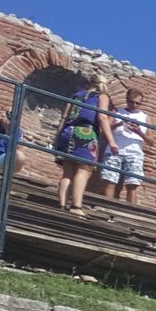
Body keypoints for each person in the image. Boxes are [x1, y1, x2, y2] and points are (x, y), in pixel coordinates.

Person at [52, 78, 111, 213]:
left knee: (67, 172)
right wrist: (111, 141)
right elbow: (102, 118)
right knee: (83, 171)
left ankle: (61, 205)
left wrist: (57, 138)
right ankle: (76, 206)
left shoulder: (75, 96)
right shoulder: (101, 97)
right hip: (86, 132)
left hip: (68, 132)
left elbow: (64, 118)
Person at [96, 88, 149, 204]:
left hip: (135, 153)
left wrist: (139, 132)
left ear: (141, 103)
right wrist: (119, 124)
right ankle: (106, 209)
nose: (134, 105)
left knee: (132, 184)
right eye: (131, 102)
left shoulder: (145, 117)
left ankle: (130, 213)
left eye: (137, 103)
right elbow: (104, 129)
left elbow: (152, 142)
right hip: (114, 151)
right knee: (109, 181)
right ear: (126, 100)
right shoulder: (116, 112)